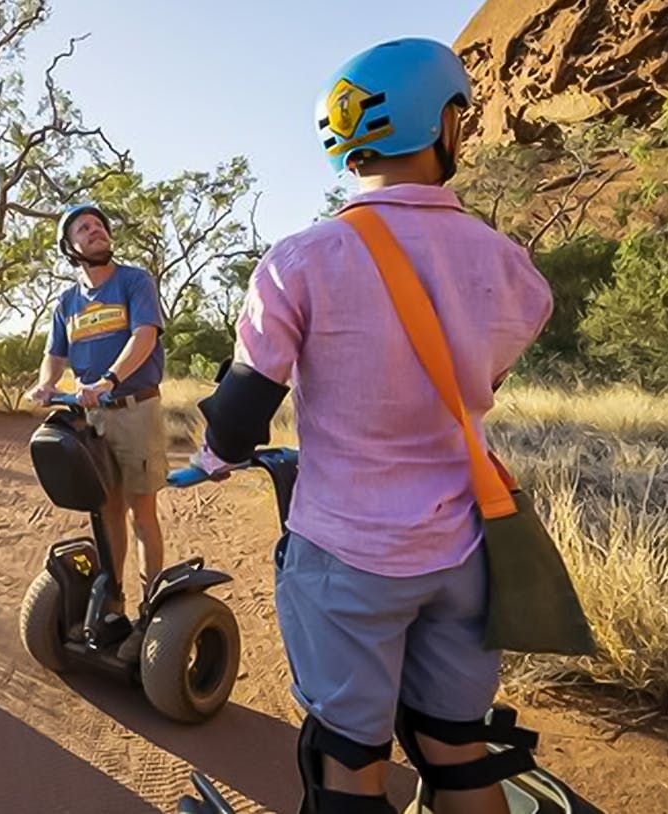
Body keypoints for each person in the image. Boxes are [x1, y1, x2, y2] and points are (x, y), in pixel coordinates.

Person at [192, 39, 554, 814]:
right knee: (458, 750)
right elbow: (479, 381)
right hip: (463, 549)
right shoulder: (511, 267)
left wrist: (213, 455)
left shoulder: (300, 260)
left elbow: (240, 414)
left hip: (348, 554)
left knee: (351, 759)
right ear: (445, 126)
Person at [27, 203, 169, 654]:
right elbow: (56, 353)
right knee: (107, 510)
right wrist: (46, 383)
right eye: (84, 229)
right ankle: (113, 603)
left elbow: (143, 336)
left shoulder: (133, 281)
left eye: (99, 225)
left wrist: (109, 379)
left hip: (133, 407)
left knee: (141, 510)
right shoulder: (67, 302)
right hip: (91, 417)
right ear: (70, 247)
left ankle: (153, 609)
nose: (96, 231)